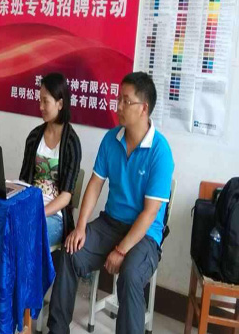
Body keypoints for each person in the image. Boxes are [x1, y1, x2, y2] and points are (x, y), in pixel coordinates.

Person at [47, 72, 174, 334]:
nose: (118, 106)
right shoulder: (111, 139)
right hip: (110, 223)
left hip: (145, 235)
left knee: (130, 274)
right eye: (118, 99)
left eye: (126, 101)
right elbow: (95, 184)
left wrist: (122, 249)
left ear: (143, 108)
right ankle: (57, 330)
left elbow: (150, 213)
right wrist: (80, 227)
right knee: (70, 252)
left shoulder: (160, 152)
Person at [19, 73, 82, 247]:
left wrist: (39, 212)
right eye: (39, 100)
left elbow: (66, 196)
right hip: (31, 208)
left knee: (28, 235)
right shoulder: (34, 137)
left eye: (45, 101)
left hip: (55, 216)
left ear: (60, 104)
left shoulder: (71, 143)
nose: (40, 107)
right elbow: (23, 181)